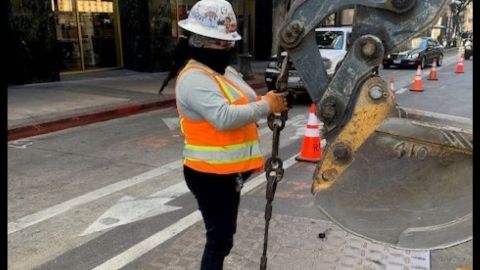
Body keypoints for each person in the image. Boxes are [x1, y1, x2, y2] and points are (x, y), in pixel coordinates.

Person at [172, 0, 288, 269]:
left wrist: (268, 103)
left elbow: (244, 101)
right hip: (209, 175)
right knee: (219, 241)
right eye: (220, 43)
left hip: (227, 173)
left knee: (224, 238)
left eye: (228, 43)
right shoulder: (194, 78)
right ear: (199, 41)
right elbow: (223, 118)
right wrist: (265, 106)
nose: (227, 48)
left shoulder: (223, 71)